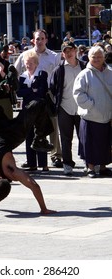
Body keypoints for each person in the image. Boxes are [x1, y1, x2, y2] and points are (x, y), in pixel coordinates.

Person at [0, 94, 56, 214]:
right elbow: (34, 185)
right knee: (38, 104)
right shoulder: (10, 172)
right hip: (13, 133)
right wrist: (43, 209)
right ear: (0, 179)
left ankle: (6, 88)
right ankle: (40, 139)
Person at [14, 28, 63, 169]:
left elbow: (60, 75)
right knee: (30, 130)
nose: (40, 41)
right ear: (32, 41)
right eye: (37, 39)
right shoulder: (25, 55)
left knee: (51, 126)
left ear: (46, 40)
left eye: (42, 38)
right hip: (29, 98)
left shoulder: (54, 56)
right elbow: (15, 72)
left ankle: (56, 156)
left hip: (48, 94)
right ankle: (32, 160)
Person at [73, 46, 112, 178]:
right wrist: (91, 105)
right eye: (93, 57)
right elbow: (78, 94)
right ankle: (90, 167)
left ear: (104, 57)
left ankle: (103, 167)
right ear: (89, 58)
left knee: (104, 144)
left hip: (106, 116)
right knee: (89, 144)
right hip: (90, 116)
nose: (96, 59)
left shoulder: (110, 72)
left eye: (99, 56)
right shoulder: (84, 74)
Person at [50, 41, 86, 175]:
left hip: (82, 108)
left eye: (70, 50)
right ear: (62, 53)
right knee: (66, 138)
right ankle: (67, 164)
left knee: (84, 137)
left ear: (75, 50)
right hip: (64, 108)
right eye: (65, 51)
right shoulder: (59, 69)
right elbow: (52, 89)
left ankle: (88, 162)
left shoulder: (84, 66)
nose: (68, 53)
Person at [17, 51, 53, 171]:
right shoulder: (22, 77)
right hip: (27, 110)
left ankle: (43, 164)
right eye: (27, 63)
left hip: (40, 109)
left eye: (31, 63)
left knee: (40, 135)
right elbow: (19, 92)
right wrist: (31, 90)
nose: (29, 65)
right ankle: (32, 163)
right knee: (28, 135)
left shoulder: (42, 74)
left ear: (36, 63)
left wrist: (29, 91)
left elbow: (42, 90)